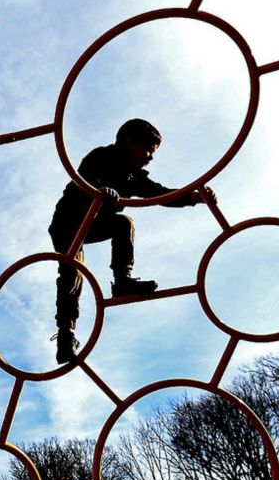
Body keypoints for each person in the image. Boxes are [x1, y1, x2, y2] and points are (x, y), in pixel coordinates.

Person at [48, 118, 213, 364]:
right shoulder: (101, 157)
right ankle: (66, 334)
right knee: (73, 273)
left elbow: (160, 194)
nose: (150, 157)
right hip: (68, 223)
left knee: (124, 223)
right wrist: (100, 190)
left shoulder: (133, 177)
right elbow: (86, 177)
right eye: (147, 149)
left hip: (94, 224)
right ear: (128, 142)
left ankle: (122, 281)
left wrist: (193, 197)